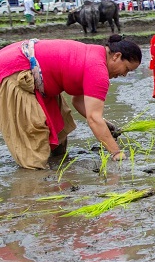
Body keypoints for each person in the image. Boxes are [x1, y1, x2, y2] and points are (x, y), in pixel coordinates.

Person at [0, 35, 142, 169]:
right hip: (16, 70)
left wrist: (104, 122)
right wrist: (116, 153)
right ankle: (34, 184)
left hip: (32, 70)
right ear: (117, 56)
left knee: (60, 123)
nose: (124, 75)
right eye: (127, 69)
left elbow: (78, 101)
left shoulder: (96, 55)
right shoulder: (98, 70)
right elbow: (93, 119)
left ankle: (54, 164)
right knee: (33, 136)